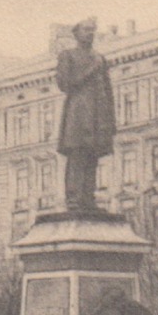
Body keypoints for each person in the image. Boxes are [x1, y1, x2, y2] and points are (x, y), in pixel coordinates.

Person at [55, 18, 116, 213]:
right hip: (78, 114)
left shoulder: (99, 58)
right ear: (76, 34)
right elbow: (65, 84)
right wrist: (90, 71)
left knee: (92, 156)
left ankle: (88, 199)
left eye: (92, 30)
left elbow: (108, 90)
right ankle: (73, 199)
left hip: (98, 114)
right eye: (86, 30)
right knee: (77, 155)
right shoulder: (68, 56)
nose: (90, 33)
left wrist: (111, 120)